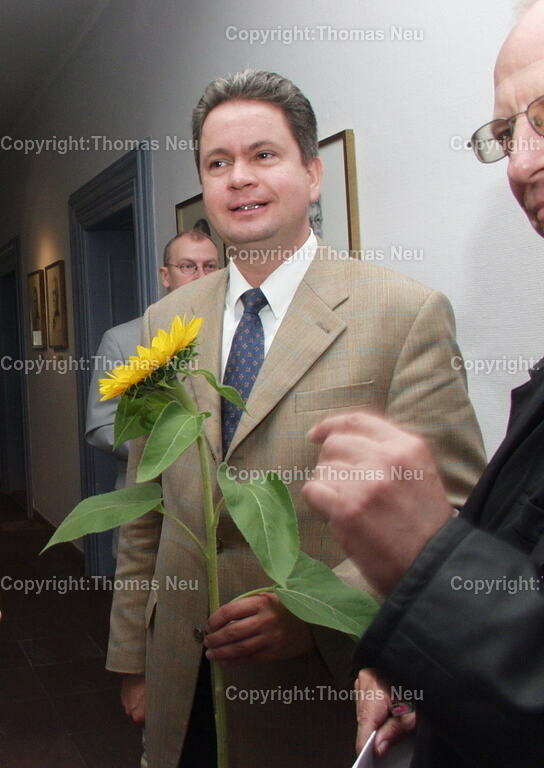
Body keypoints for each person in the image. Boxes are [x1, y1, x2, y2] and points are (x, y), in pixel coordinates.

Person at [105, 70, 486, 768]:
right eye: (217, 163)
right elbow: (143, 505)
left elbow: (453, 514)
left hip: (317, 694)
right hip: (182, 678)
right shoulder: (166, 323)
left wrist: (313, 613)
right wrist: (133, 657)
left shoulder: (403, 315)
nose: (239, 178)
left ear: (312, 174)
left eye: (263, 155)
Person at [303, 4, 544, 765]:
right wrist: (418, 658)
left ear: (311, 177)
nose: (519, 163)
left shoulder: (407, 310)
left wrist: (421, 561)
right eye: (505, 133)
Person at [86, 229, 221, 490]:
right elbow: (102, 426)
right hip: (151, 492)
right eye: (188, 266)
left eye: (210, 266)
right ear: (165, 275)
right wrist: (168, 450)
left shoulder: (238, 333)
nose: (201, 276)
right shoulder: (121, 340)